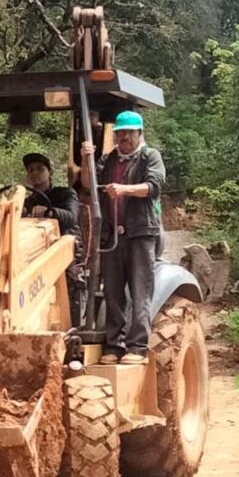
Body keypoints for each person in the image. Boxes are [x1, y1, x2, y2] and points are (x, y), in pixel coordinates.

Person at [98, 110, 165, 365]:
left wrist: (124, 189)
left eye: (129, 132)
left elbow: (153, 187)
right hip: (113, 235)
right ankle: (114, 346)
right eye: (120, 133)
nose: (124, 137)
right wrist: (85, 157)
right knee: (112, 292)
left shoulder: (150, 156)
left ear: (139, 133)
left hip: (140, 234)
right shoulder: (109, 160)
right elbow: (89, 184)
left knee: (140, 291)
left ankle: (137, 347)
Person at [20, 152, 84, 327]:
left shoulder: (65, 194)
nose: (35, 173)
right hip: (35, 253)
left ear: (50, 173)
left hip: (64, 249)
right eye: (31, 170)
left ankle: (71, 325)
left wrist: (49, 212)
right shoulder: (25, 202)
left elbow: (70, 216)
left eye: (40, 169)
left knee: (68, 276)